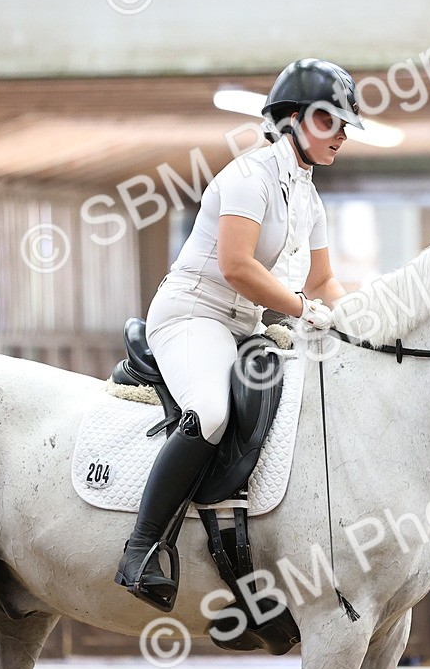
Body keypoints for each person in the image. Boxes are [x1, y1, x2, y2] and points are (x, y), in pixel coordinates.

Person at [115, 58, 360, 606]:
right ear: (293, 119)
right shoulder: (249, 177)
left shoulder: (309, 197)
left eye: (345, 125)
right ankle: (142, 548)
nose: (342, 134)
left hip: (243, 328)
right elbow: (237, 267)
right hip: (193, 315)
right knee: (210, 412)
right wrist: (302, 309)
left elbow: (323, 281)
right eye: (330, 121)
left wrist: (360, 323)